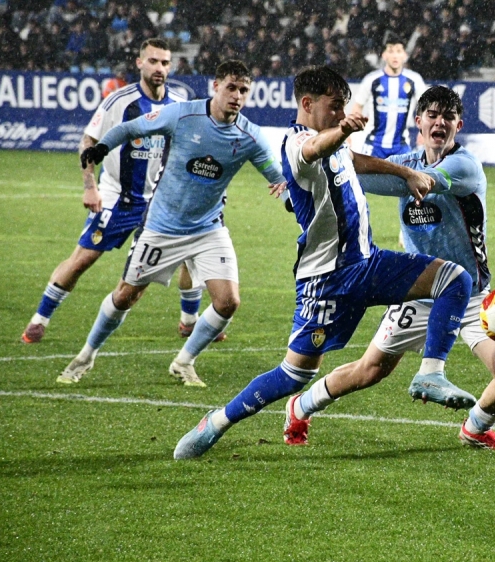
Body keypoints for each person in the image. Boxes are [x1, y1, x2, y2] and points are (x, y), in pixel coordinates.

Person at [173, 66, 475, 459]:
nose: (339, 114)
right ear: (307, 103)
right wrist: (344, 129)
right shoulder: (297, 144)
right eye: (334, 107)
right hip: (327, 279)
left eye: (343, 109)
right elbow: (315, 149)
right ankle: (216, 422)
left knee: (454, 279)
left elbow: (355, 159)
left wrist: (405, 172)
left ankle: (430, 374)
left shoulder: (334, 141)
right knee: (294, 375)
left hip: (367, 262)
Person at [282, 86, 495, 453]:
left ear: (458, 125)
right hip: (420, 292)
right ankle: (300, 407)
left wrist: (401, 175)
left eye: (448, 117)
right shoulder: (403, 163)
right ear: (419, 121)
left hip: (472, 294)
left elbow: (425, 181)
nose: (439, 122)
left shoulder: (465, 167)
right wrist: (298, 182)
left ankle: (475, 428)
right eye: (432, 115)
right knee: (370, 371)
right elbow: (348, 172)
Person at [58, 59, 286, 388]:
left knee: (228, 302)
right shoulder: (182, 115)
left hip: (208, 229)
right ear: (216, 86)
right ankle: (86, 356)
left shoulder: (250, 136)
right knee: (125, 297)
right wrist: (103, 146)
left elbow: (277, 177)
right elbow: (132, 128)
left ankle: (184, 362)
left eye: (243, 90)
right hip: (161, 226)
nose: (237, 96)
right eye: (231, 88)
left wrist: (291, 198)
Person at [21, 39, 216, 345]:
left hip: (161, 202)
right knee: (83, 258)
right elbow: (88, 141)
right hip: (118, 198)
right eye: (153, 61)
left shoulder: (179, 104)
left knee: (189, 254)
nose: (160, 68)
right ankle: (39, 319)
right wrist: (90, 187)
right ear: (140, 63)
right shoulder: (119, 101)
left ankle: (189, 322)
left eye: (165, 63)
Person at [351, 39, 428, 158]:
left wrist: (424, 131)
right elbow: (357, 106)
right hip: (373, 145)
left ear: (405, 55)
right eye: (391, 51)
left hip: (401, 146)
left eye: (398, 51)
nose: (395, 56)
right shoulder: (372, 79)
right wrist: (350, 133)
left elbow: (427, 107)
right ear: (384, 55)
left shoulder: (414, 79)